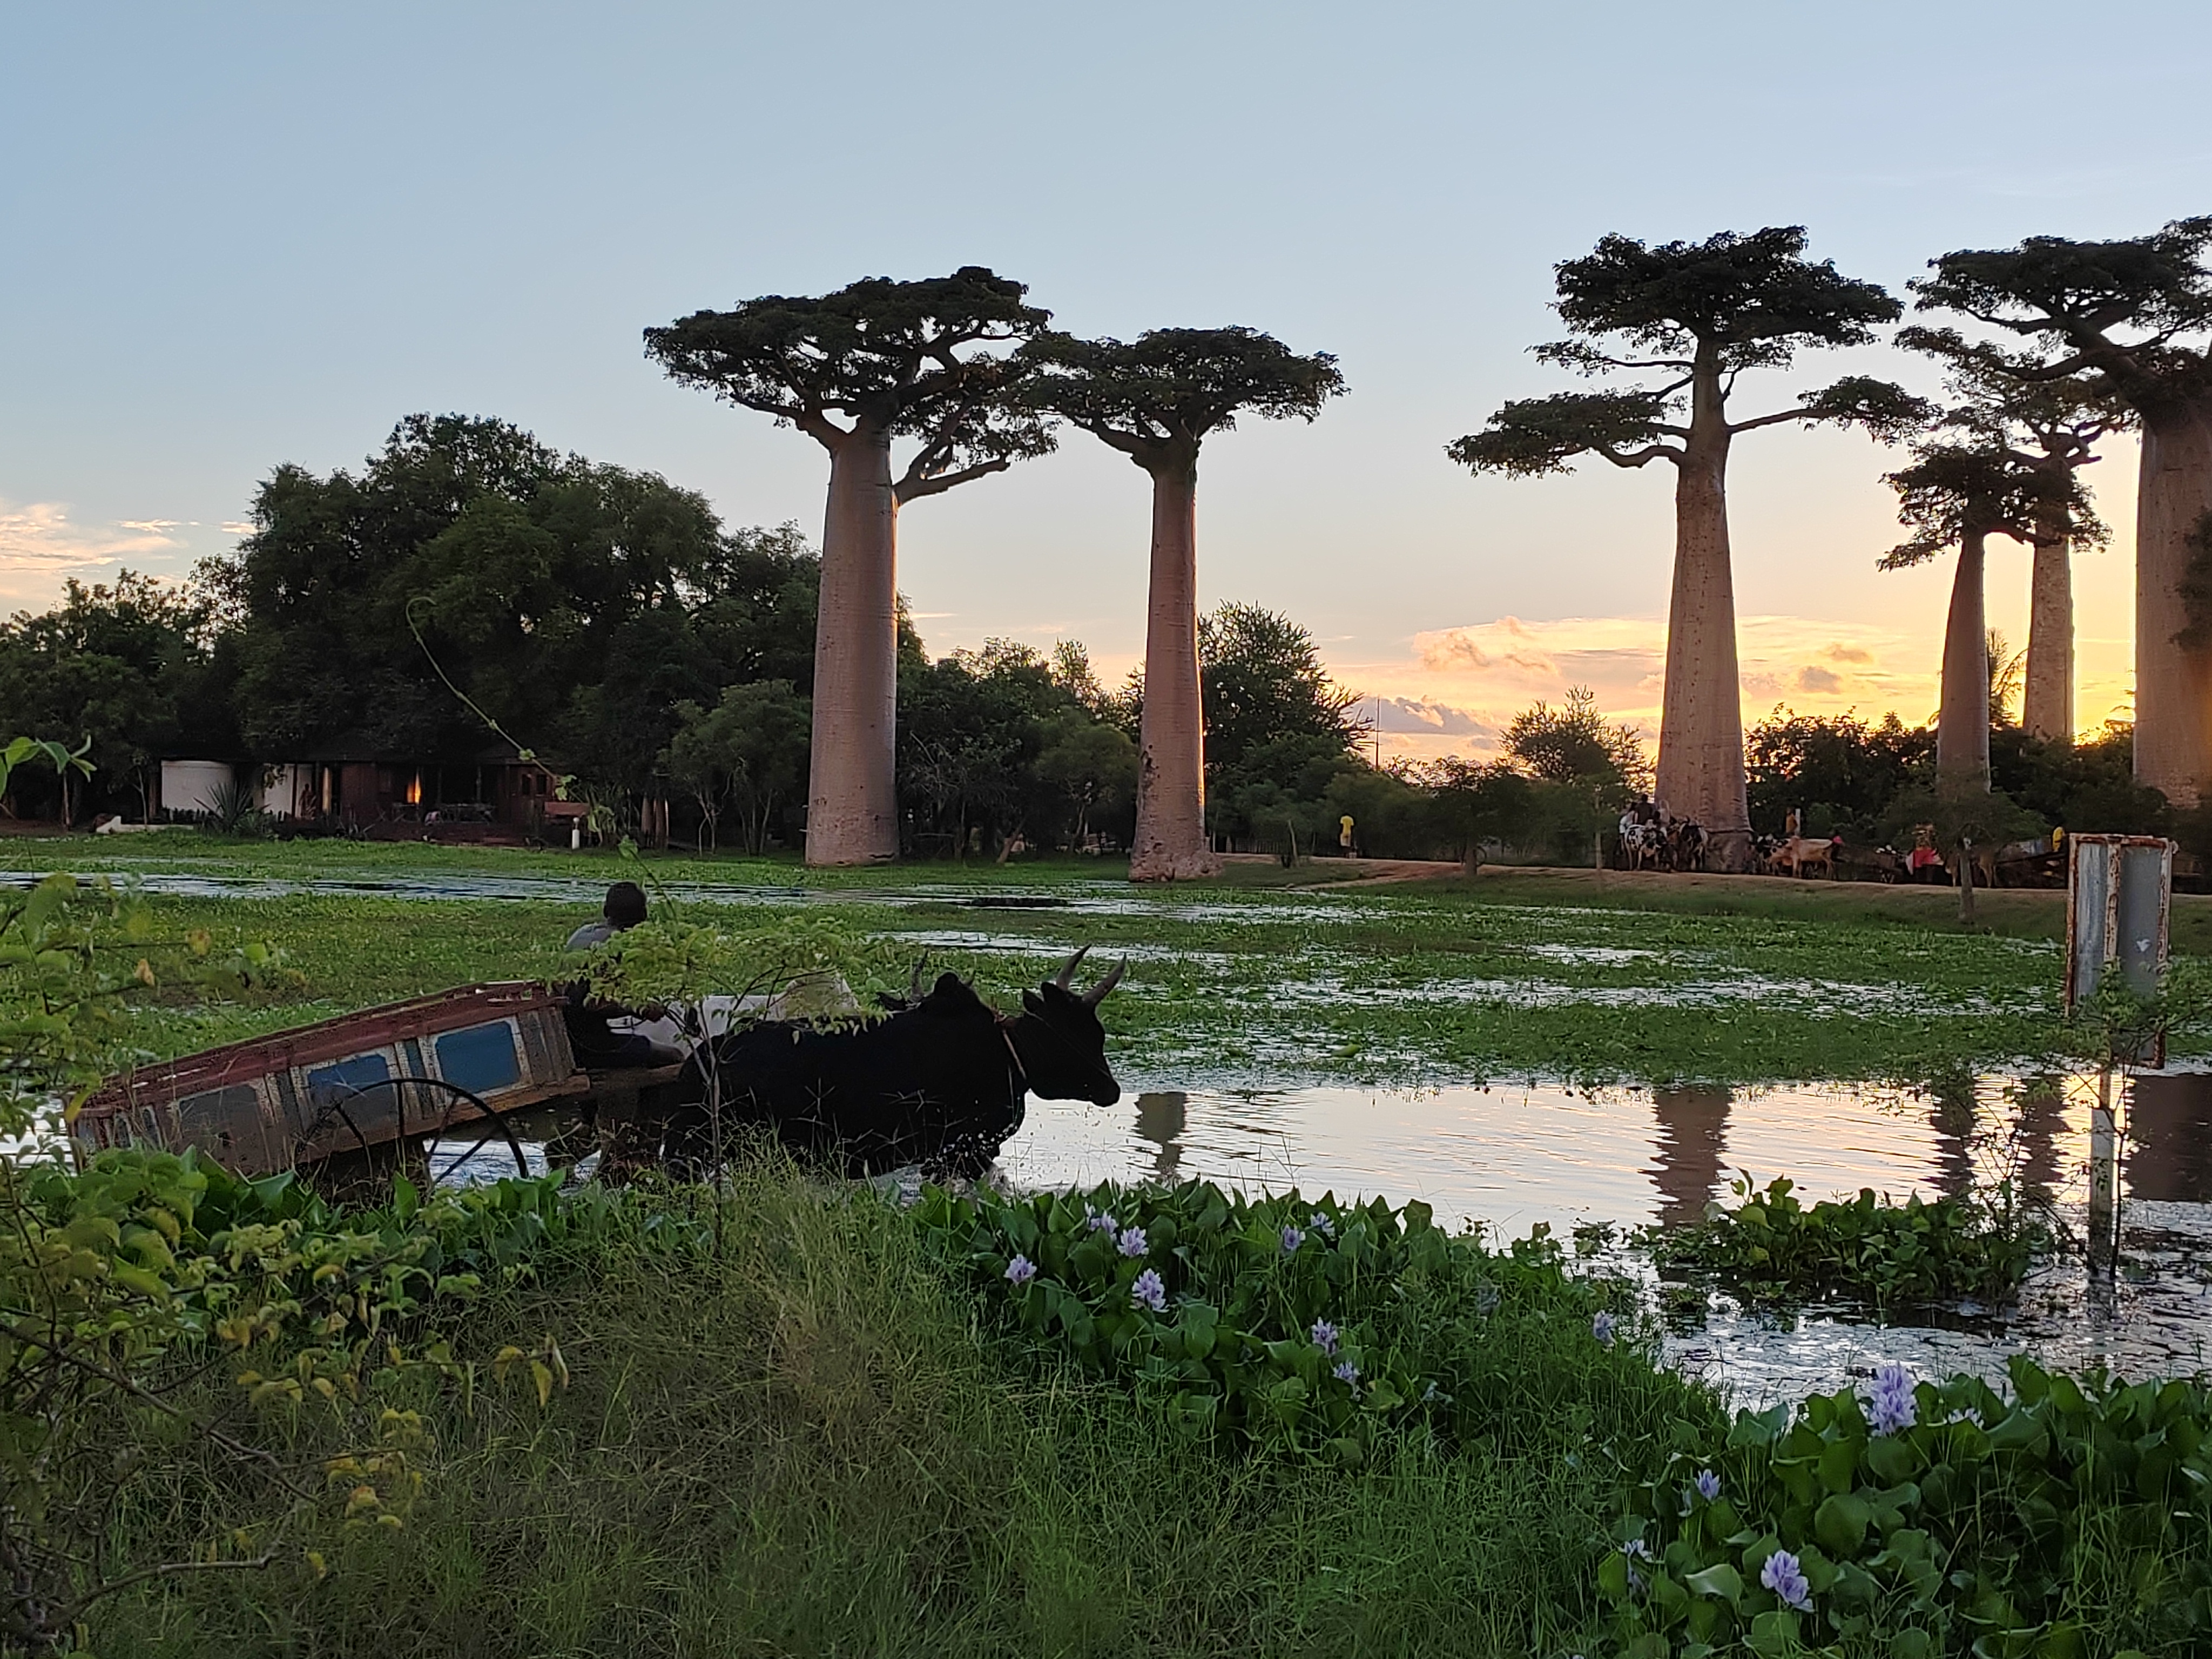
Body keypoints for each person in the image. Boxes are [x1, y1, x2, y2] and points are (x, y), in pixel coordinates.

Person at [562, 882, 683, 1069]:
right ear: (643, 918)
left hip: (567, 1037)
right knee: (673, 1056)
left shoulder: (582, 934)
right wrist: (642, 1009)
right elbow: (596, 1005)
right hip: (592, 1046)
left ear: (605, 910)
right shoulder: (616, 945)